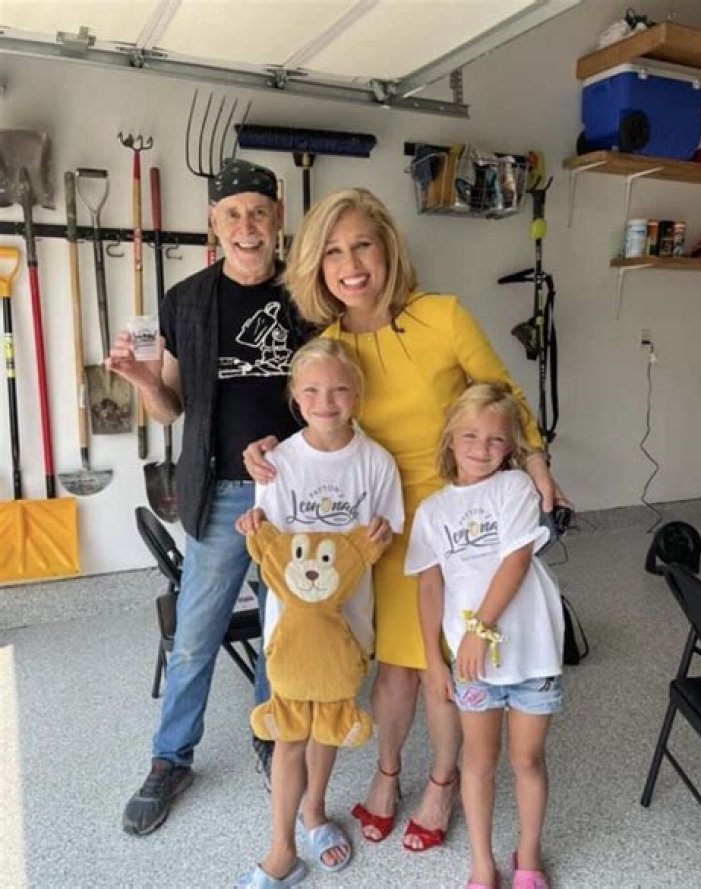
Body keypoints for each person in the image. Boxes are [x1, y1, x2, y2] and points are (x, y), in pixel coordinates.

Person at [244, 187, 567, 852]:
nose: (350, 264)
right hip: (385, 524)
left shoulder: (442, 316)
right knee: (395, 665)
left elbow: (503, 396)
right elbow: (319, 417)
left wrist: (535, 461)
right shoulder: (330, 344)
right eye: (333, 252)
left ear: (388, 247)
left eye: (362, 244)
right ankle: (387, 773)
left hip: (462, 515)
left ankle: (442, 782)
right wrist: (270, 447)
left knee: (441, 664)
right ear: (317, 266)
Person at [106, 158, 308, 836]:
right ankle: (170, 758)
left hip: (294, 494)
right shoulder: (186, 300)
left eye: (258, 212)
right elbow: (170, 408)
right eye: (232, 215)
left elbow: (338, 393)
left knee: (283, 633)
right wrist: (143, 380)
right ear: (214, 225)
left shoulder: (308, 293)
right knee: (194, 639)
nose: (247, 226)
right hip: (219, 492)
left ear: (277, 219)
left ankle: (272, 734)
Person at [235, 338, 404, 887]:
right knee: (289, 734)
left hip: (347, 627)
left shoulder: (376, 462)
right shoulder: (278, 463)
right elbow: (271, 548)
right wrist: (253, 531)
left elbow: (384, 534)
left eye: (338, 389)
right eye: (311, 390)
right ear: (294, 395)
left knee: (327, 724)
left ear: (358, 393)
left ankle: (315, 811)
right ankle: (280, 848)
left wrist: (379, 535)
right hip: (289, 631)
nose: (325, 402)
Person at [405, 381, 563, 889]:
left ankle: (528, 855)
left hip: (532, 656)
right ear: (450, 439)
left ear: (510, 446)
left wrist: (480, 629)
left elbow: (516, 560)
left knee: (527, 759)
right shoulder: (432, 512)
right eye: (470, 436)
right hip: (472, 666)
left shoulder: (514, 488)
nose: (482, 448)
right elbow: (429, 587)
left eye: (496, 439)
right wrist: (433, 660)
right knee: (478, 761)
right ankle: (481, 862)